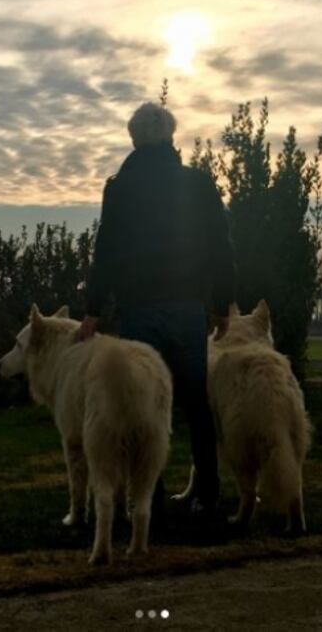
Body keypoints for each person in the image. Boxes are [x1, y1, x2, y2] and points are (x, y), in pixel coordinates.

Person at [78, 101, 236, 517]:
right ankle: (208, 492)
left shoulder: (120, 188)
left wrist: (93, 309)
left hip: (139, 310)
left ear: (133, 139)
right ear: (170, 137)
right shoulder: (199, 184)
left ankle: (151, 498)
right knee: (195, 404)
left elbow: (106, 251)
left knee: (143, 404)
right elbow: (221, 247)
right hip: (187, 307)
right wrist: (221, 305)